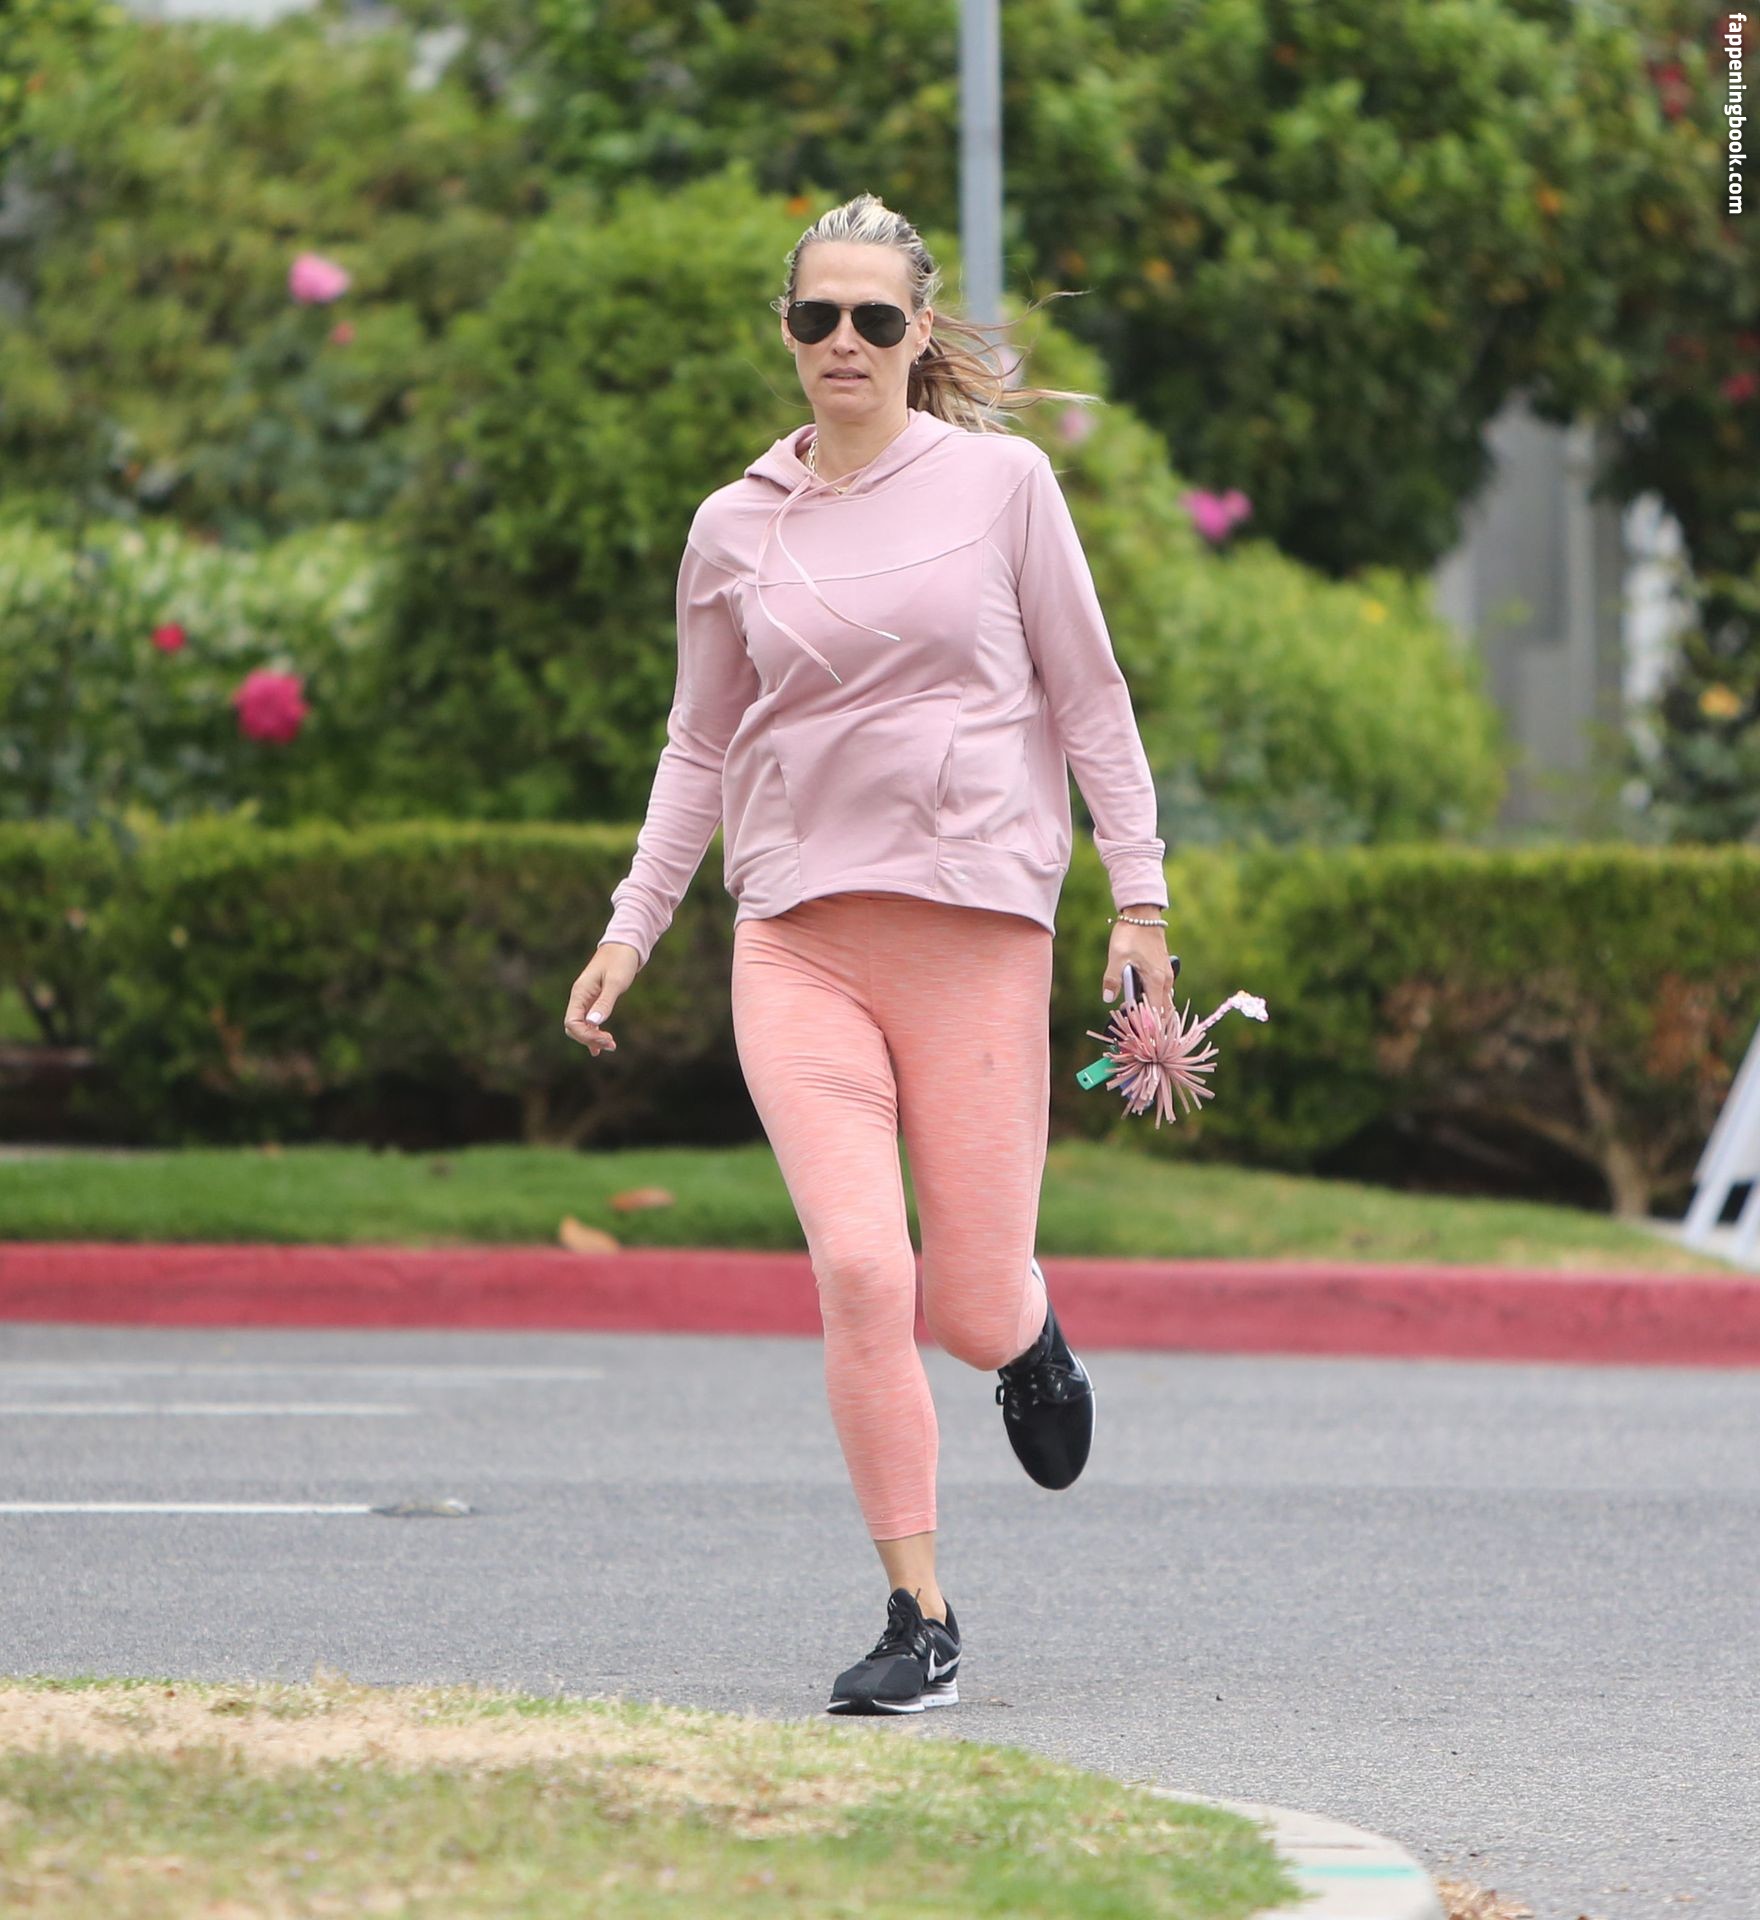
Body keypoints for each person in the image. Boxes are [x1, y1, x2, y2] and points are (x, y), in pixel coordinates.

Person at [564, 191, 1177, 1716]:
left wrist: (1142, 899)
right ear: (787, 333)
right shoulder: (733, 525)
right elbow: (699, 742)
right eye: (816, 316)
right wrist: (634, 924)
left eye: (875, 318)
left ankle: (1024, 1334)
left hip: (974, 935)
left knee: (961, 1301)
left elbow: (1089, 696)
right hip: (797, 943)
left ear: (916, 336)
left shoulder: (1003, 485)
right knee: (857, 1268)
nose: (844, 340)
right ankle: (921, 1615)